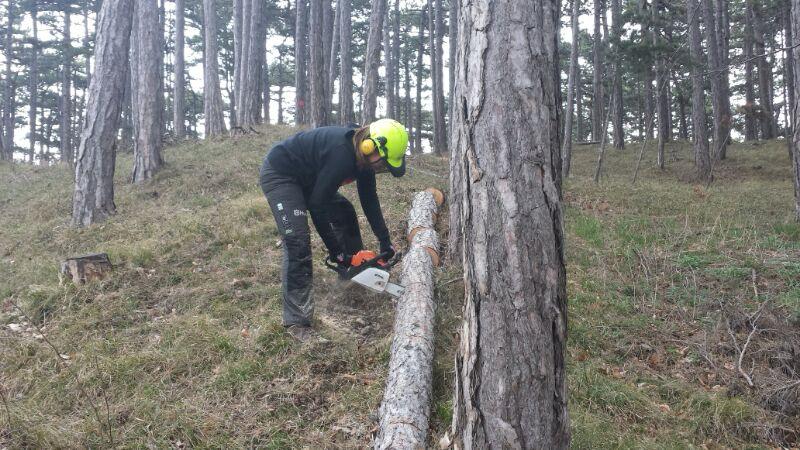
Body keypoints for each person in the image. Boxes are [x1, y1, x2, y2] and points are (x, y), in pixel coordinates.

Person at [259, 119, 409, 342]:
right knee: (297, 241)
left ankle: (355, 274)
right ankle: (297, 323)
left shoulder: (363, 161)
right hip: (282, 174)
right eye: (383, 162)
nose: (382, 168)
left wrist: (384, 241)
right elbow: (318, 206)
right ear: (370, 145)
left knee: (345, 212)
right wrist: (337, 252)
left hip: (310, 180)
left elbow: (369, 200)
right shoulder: (343, 155)